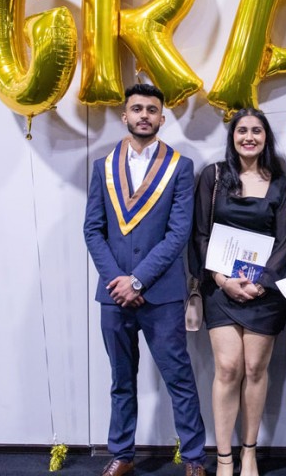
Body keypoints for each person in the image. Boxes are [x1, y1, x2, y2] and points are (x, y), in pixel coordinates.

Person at [83, 83, 207, 476]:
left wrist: (137, 280)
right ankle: (121, 453)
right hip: (113, 295)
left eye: (151, 110)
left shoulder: (180, 166)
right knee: (121, 381)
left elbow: (178, 232)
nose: (144, 115)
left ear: (161, 118)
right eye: (136, 108)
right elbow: (93, 230)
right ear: (125, 116)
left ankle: (194, 458)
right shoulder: (102, 167)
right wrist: (118, 280)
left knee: (179, 379)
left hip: (162, 295)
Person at [189, 108, 286, 476]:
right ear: (232, 137)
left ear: (266, 138)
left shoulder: (282, 184)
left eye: (257, 131)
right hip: (221, 290)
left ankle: (249, 453)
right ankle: (223, 458)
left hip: (264, 292)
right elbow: (200, 234)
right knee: (229, 368)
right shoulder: (213, 176)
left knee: (255, 368)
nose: (249, 136)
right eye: (242, 131)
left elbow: (284, 242)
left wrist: (260, 282)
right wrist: (221, 279)